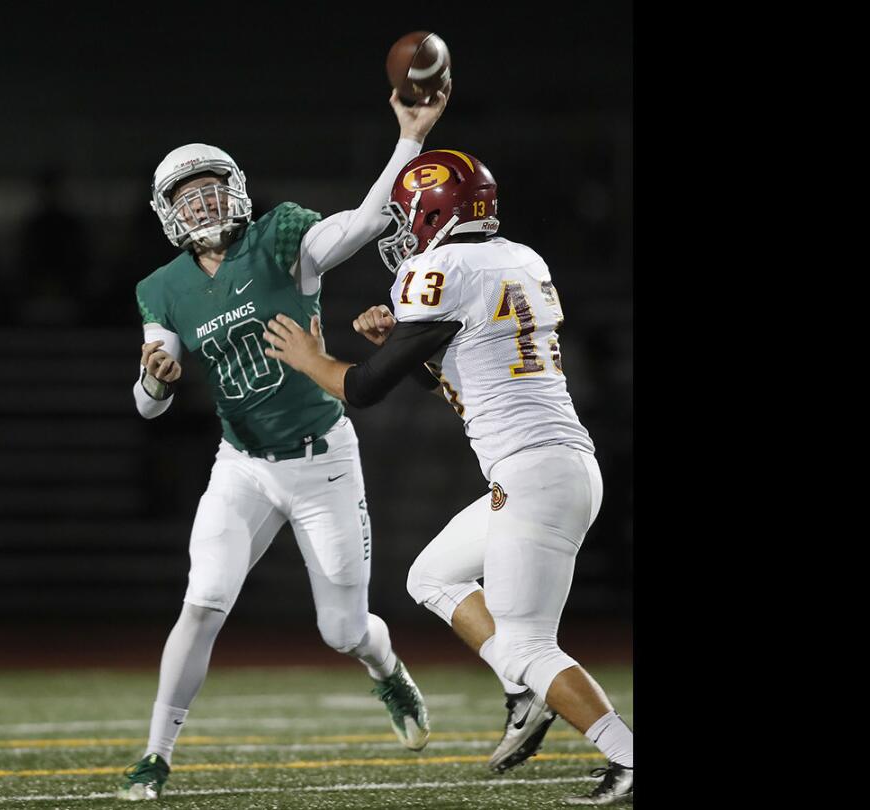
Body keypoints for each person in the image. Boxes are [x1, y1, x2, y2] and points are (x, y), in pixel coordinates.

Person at [260, 148, 634, 805]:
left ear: (436, 212)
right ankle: (524, 692)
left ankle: (622, 752)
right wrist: (402, 345)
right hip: (555, 464)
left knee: (526, 642)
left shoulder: (440, 267)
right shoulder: (523, 259)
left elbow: (365, 391)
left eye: (408, 216)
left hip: (535, 473)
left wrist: (311, 358)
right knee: (431, 575)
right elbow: (472, 377)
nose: (404, 231)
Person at [118, 85, 452, 802]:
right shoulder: (163, 288)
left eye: (212, 190)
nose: (203, 205)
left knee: (341, 630)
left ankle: (386, 669)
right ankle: (155, 754)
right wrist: (157, 380)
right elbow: (147, 404)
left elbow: (364, 223)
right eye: (189, 196)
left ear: (235, 193)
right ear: (167, 213)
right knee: (203, 597)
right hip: (241, 463)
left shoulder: (281, 237)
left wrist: (409, 140)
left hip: (321, 458)